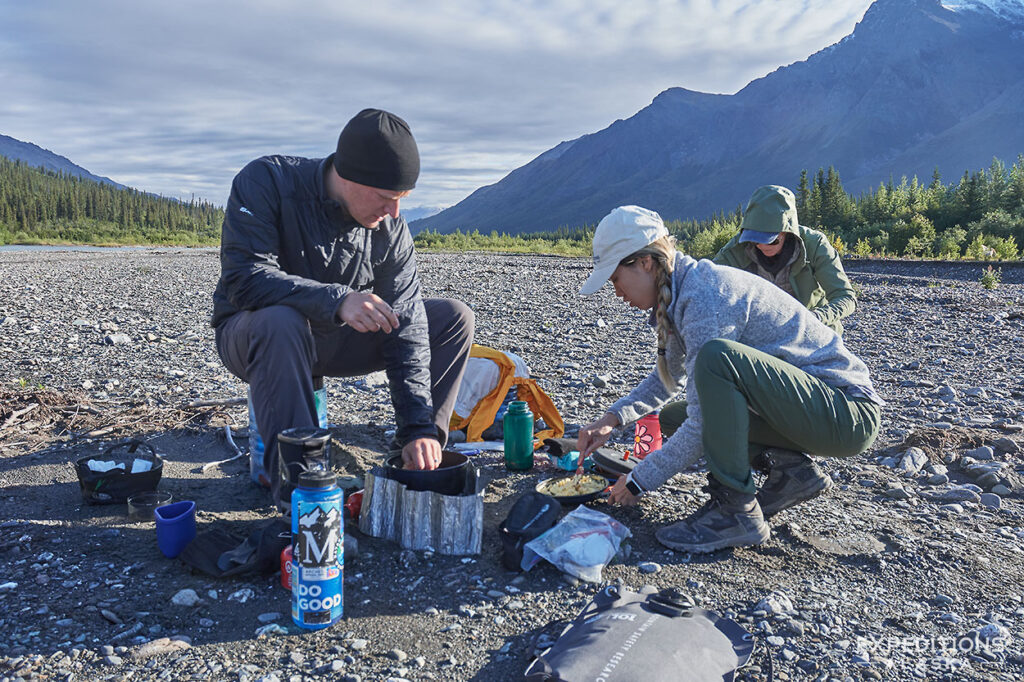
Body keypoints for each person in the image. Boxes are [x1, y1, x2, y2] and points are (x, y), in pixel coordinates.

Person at [576, 206, 881, 553]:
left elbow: (703, 420)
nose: (616, 292)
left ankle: (736, 512)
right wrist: (610, 420)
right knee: (673, 415)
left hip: (846, 413)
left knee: (716, 360)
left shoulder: (706, 297)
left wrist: (637, 482)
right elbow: (668, 379)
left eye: (615, 278)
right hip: (813, 411)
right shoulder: (680, 293)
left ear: (645, 262)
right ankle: (791, 474)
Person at [212, 108, 474, 509]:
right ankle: (303, 493)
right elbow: (244, 278)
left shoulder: (389, 229)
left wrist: (419, 426)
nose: (394, 213)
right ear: (349, 176)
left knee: (452, 317)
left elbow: (405, 324)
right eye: (387, 198)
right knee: (281, 321)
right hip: (255, 336)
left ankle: (416, 453)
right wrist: (337, 300)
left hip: (333, 341)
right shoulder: (267, 180)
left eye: (402, 200)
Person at [658, 184, 858, 473]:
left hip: (814, 348)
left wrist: (812, 319)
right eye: (756, 239)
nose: (763, 247)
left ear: (788, 232)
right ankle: (778, 456)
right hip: (767, 351)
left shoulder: (815, 245)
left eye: (771, 240)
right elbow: (705, 289)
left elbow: (846, 297)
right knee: (697, 411)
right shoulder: (737, 249)